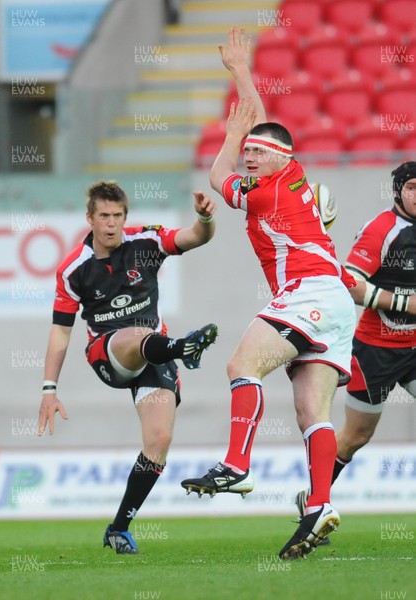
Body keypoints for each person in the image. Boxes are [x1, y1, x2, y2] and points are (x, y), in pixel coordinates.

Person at [180, 27, 357, 560]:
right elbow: (222, 172)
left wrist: (236, 109)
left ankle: (236, 465)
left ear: (283, 157)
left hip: (310, 293)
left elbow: (219, 172)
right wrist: (241, 92)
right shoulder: (284, 180)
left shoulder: (269, 188)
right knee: (312, 414)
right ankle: (319, 504)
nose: (251, 158)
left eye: (260, 151)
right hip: (333, 306)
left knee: (241, 364)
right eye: (249, 152)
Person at [38, 180, 218, 554]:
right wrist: (49, 390)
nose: (111, 224)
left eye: (118, 216)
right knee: (136, 332)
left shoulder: (145, 244)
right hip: (109, 356)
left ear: (125, 217)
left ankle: (118, 528)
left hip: (155, 354)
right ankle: (184, 348)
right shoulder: (74, 269)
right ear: (89, 218)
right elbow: (60, 333)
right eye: (103, 216)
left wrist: (203, 217)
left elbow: (196, 237)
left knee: (159, 442)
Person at [295, 162, 416, 530]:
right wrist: (402, 303)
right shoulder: (383, 230)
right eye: (413, 187)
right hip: (374, 351)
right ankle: (313, 501)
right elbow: (349, 283)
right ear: (397, 193)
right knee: (355, 437)